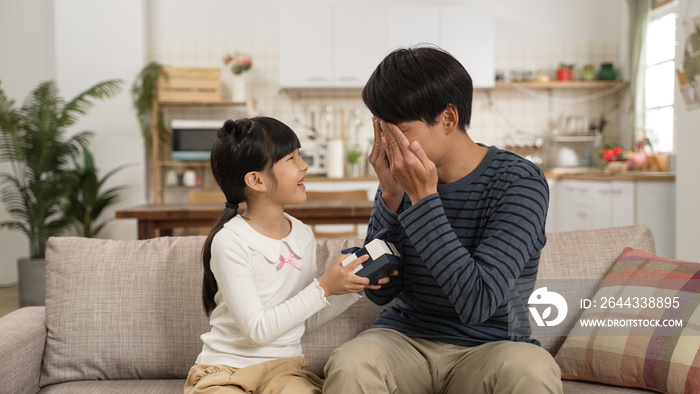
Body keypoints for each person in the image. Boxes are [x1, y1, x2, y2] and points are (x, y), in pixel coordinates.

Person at [323, 46, 563, 393]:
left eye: (400, 130)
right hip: (405, 339)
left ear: (448, 119)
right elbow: (382, 292)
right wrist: (390, 197)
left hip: (491, 346)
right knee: (352, 363)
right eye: (383, 130)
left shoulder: (519, 182)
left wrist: (423, 199)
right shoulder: (401, 180)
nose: (389, 144)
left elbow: (477, 302)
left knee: (532, 370)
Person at [184, 116, 386, 394]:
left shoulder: (302, 235)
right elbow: (258, 331)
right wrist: (323, 287)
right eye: (291, 158)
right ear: (256, 180)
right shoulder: (229, 241)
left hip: (285, 370)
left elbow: (304, 319)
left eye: (299, 155)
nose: (304, 165)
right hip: (226, 370)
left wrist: (351, 288)